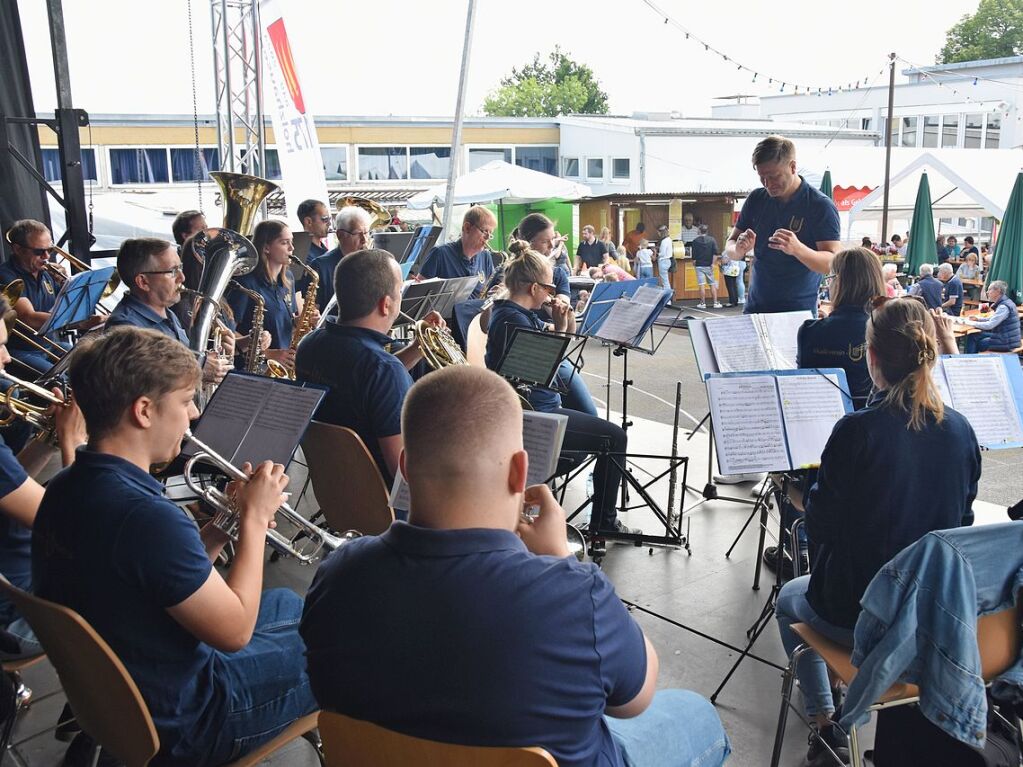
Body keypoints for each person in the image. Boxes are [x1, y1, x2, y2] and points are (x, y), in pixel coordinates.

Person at [300, 365, 731, 767]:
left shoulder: (335, 577)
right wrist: (562, 558)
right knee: (696, 714)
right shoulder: (576, 594)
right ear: (520, 471)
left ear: (406, 468)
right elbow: (635, 698)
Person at [32, 327, 317, 766]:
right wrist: (256, 520)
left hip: (127, 689)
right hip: (194, 721)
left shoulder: (65, 486)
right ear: (144, 410)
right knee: (337, 640)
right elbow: (236, 632)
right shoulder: (146, 517)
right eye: (185, 401)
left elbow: (159, 576)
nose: (194, 414)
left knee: (284, 602)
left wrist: (227, 522)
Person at [775, 297, 981, 766]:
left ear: (871, 357)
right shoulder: (962, 431)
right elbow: (961, 524)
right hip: (932, 610)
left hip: (859, 612)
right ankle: (852, 701)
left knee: (787, 597)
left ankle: (830, 724)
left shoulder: (856, 430)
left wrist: (793, 492)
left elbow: (821, 526)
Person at [485, 242, 634, 536]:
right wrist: (558, 325)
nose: (552, 293)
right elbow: (542, 372)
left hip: (537, 407)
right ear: (533, 288)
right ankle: (603, 523)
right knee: (614, 438)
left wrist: (564, 324)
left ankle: (576, 511)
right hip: (535, 414)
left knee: (602, 432)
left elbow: (550, 363)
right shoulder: (515, 320)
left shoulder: (511, 314)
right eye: (549, 288)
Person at [294, 248, 444, 487]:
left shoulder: (308, 345)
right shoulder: (383, 370)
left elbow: (369, 384)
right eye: (399, 292)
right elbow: (404, 477)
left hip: (338, 489)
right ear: (386, 305)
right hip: (386, 506)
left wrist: (418, 347)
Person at [0, 292, 86, 655]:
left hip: (19, 574)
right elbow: (73, 528)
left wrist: (49, 440)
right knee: (133, 592)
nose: (6, 359)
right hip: (19, 614)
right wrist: (72, 444)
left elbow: (11, 484)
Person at [725, 136, 841, 315]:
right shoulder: (756, 199)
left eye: (774, 176)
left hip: (797, 313)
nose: (767, 183)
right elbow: (730, 246)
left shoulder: (819, 205)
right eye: (762, 177)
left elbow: (832, 263)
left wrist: (797, 249)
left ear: (793, 167)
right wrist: (739, 249)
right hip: (755, 309)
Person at [107, 238, 233, 387]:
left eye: (180, 268)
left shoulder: (168, 313)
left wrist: (214, 359)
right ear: (143, 282)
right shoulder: (125, 327)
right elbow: (144, 383)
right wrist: (197, 368)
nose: (182, 277)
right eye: (173, 271)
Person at [515, 213, 598, 418]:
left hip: (555, 353)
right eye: (546, 241)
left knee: (589, 412)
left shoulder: (557, 274)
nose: (553, 246)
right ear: (528, 243)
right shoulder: (510, 273)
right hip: (520, 361)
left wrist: (551, 303)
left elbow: (568, 327)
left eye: (554, 239)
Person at [797, 247, 885, 410]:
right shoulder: (888, 330)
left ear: (838, 282)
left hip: (822, 419)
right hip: (875, 422)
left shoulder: (810, 331)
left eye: (829, 278)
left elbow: (804, 385)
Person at [0, 220, 86, 376]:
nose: (47, 257)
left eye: (50, 250)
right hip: (22, 350)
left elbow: (68, 306)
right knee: (60, 381)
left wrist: (68, 286)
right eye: (39, 252)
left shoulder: (47, 272)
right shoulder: (6, 276)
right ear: (18, 249)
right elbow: (29, 318)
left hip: (48, 344)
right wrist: (78, 321)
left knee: (90, 362)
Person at [227, 220, 302, 374]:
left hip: (283, 365)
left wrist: (299, 322)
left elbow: (286, 322)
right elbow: (229, 331)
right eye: (284, 243)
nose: (292, 248)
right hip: (254, 368)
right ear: (266, 247)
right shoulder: (245, 282)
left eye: (291, 242)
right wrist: (268, 354)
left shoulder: (288, 278)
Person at [418, 205, 497, 299]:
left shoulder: (485, 256)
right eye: (485, 231)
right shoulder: (439, 254)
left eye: (490, 233)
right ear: (467, 227)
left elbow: (489, 290)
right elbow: (418, 294)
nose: (488, 238)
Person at [305, 206, 373, 313]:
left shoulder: (371, 263)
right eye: (357, 234)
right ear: (340, 235)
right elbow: (313, 312)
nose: (364, 240)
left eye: (366, 233)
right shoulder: (320, 266)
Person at [964, 280, 1021, 353]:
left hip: (1007, 342)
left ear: (998, 291)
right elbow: (993, 319)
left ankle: (971, 360)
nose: (987, 292)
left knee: (980, 343)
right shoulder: (1006, 302)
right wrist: (978, 319)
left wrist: (969, 323)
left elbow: (989, 325)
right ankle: (972, 359)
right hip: (1008, 337)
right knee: (973, 335)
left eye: (989, 289)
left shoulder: (1003, 307)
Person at [691, 224, 721, 309]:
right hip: (709, 265)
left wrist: (694, 262)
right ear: (706, 231)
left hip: (699, 265)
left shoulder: (695, 241)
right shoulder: (712, 240)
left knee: (701, 284)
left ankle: (702, 303)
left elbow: (694, 256)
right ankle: (715, 303)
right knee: (712, 284)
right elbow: (715, 253)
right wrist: (713, 263)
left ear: (699, 231)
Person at [656, 224, 673, 292]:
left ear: (661, 232)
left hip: (663, 261)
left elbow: (662, 253)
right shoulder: (669, 239)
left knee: (665, 282)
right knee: (665, 280)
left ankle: (668, 299)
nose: (658, 234)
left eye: (658, 232)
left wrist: (656, 253)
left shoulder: (663, 241)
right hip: (668, 260)